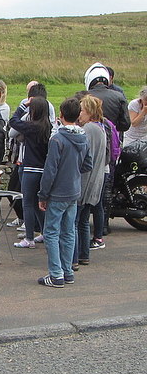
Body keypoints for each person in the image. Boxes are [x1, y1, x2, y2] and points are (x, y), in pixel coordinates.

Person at [37, 97, 92, 288]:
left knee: (51, 232)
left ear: (60, 116)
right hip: (74, 191)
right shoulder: (83, 137)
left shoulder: (57, 139)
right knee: (69, 232)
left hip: (58, 193)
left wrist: (43, 195)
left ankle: (56, 273)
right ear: (78, 116)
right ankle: (67, 271)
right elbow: (88, 164)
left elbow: (50, 170)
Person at [8, 97, 52, 248]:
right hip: (42, 170)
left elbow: (13, 121)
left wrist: (22, 106)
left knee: (27, 202)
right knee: (37, 203)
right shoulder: (49, 128)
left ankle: (29, 238)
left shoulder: (31, 127)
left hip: (30, 169)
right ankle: (45, 233)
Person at [73, 94, 107, 268]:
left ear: (89, 112)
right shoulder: (100, 128)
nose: (79, 114)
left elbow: (82, 155)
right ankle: (84, 255)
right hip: (95, 181)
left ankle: (75, 258)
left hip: (85, 182)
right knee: (84, 221)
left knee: (76, 222)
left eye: (82, 110)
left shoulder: (88, 129)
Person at [85, 62, 130, 135]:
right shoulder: (119, 96)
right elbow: (125, 124)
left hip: (90, 137)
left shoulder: (82, 97)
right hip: (112, 138)